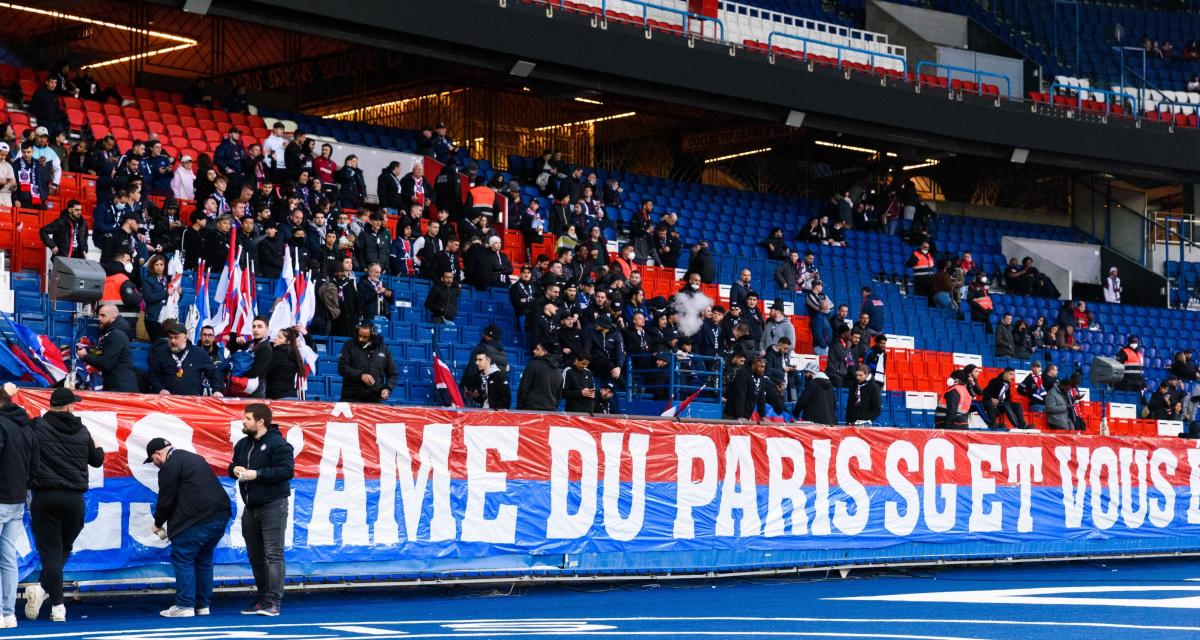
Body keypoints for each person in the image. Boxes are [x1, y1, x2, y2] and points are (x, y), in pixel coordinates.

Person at [24, 388, 104, 623]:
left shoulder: (36, 426)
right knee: (61, 550)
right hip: (74, 500)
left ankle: (50, 597)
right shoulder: (83, 430)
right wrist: (98, 446)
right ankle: (52, 599)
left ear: (52, 405)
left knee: (52, 553)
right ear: (70, 407)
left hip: (45, 497)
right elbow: (97, 461)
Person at [145, 436, 232, 618]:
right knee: (204, 560)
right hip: (219, 516)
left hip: (196, 520)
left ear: (158, 453)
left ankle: (184, 605)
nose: (154, 464)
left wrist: (158, 523)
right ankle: (203, 605)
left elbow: (166, 500)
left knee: (183, 558)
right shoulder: (194, 458)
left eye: (153, 459)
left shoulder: (170, 466)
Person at [228, 403, 293, 617]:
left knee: (273, 554)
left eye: (247, 418)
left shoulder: (279, 444)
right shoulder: (242, 444)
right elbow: (232, 466)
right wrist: (235, 469)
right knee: (255, 556)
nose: (243, 421)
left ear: (260, 421)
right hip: (250, 507)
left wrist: (258, 474)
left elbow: (286, 471)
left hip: (273, 504)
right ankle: (263, 598)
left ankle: (274, 602)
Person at [0, 384, 34, 629]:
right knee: (7, 556)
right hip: (17, 498)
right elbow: (35, 466)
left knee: (6, 556)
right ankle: (8, 613)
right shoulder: (26, 428)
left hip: (2, 496)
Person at [147, 326, 224, 397]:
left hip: (192, 402)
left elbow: (214, 373)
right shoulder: (161, 353)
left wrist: (217, 390)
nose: (172, 341)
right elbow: (153, 375)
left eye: (176, 337)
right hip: (168, 401)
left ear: (185, 338)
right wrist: (160, 389)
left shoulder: (199, 353)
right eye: (170, 338)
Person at [77, 304, 137, 392]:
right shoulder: (112, 333)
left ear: (113, 318)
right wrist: (88, 349)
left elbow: (106, 363)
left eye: (103, 315)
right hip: (117, 386)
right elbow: (100, 351)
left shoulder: (116, 335)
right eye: (99, 315)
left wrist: (85, 356)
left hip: (120, 390)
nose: (99, 318)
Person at [338, 324, 399, 403]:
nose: (360, 339)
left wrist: (387, 389)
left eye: (364, 337)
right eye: (359, 335)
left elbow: (393, 374)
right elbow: (342, 368)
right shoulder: (349, 345)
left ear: (373, 336)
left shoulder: (384, 349)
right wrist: (360, 375)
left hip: (374, 398)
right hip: (351, 397)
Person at [517, 342, 563, 410]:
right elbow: (559, 396)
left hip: (531, 410)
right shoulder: (558, 371)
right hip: (550, 411)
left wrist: (519, 408)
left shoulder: (533, 365)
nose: (534, 351)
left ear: (545, 352)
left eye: (537, 349)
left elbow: (523, 389)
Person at [265, 328, 304, 400]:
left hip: (279, 396)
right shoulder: (294, 353)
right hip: (291, 395)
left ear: (288, 342)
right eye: (276, 336)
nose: (275, 339)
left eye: (279, 337)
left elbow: (265, 370)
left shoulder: (279, 353)